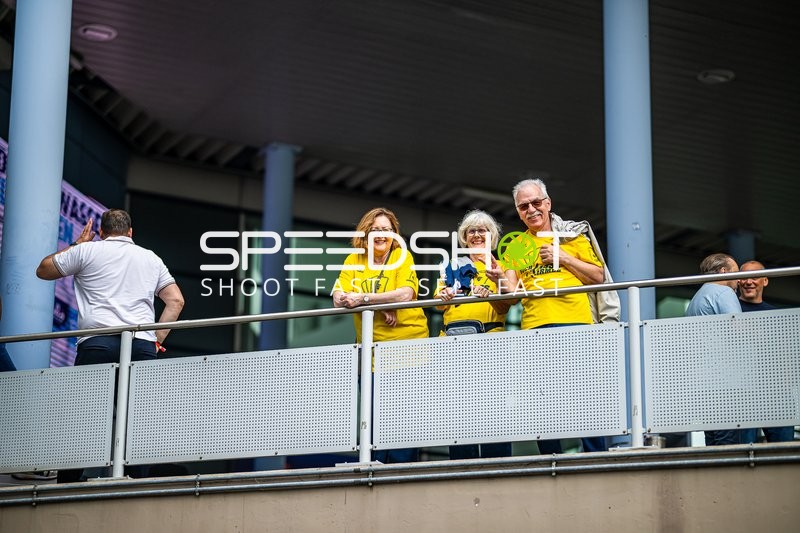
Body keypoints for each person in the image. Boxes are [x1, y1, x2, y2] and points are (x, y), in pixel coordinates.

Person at [36, 208, 185, 480]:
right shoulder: (150, 258)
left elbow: (43, 270)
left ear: (101, 232)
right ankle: (135, 480)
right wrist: (155, 341)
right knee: (136, 417)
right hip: (140, 344)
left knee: (83, 416)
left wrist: (77, 244)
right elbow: (175, 301)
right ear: (130, 232)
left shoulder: (87, 251)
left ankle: (66, 483)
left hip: (97, 343)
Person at [502, 177, 605, 454]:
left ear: (548, 204)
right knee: (541, 398)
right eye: (524, 206)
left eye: (536, 203)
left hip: (576, 323)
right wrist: (497, 276)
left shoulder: (573, 237)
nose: (531, 210)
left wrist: (564, 257)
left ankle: (595, 455)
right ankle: (551, 457)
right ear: (518, 211)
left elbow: (599, 277)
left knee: (585, 395)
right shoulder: (516, 245)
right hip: (536, 327)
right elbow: (511, 293)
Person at [332, 207, 429, 463]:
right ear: (366, 233)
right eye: (376, 230)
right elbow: (338, 298)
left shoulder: (401, 256)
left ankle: (399, 478)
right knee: (373, 420)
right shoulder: (355, 260)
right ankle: (374, 475)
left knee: (402, 421)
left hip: (406, 348)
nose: (382, 234)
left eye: (387, 230)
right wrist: (379, 304)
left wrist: (365, 299)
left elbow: (406, 294)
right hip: (371, 353)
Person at [436, 210, 512, 460]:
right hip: (453, 345)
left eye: (483, 230)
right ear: (464, 237)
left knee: (493, 409)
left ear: (493, 236)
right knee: (457, 411)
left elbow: (506, 306)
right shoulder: (451, 266)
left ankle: (497, 466)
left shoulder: (501, 266)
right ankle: (461, 467)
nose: (477, 235)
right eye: (472, 231)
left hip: (489, 344)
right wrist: (444, 296)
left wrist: (493, 293)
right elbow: (439, 304)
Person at [685, 252, 742, 446]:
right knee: (728, 437)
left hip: (704, 378)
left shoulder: (696, 298)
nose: (739, 279)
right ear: (724, 271)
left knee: (713, 436)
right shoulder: (723, 293)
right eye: (736, 272)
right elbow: (739, 330)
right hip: (724, 377)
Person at [737, 260, 794, 443]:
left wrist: (788, 387)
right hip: (743, 393)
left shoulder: (776, 315)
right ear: (737, 282)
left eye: (754, 277)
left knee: (784, 451)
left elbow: (786, 355)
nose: (748, 282)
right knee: (745, 452)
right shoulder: (730, 311)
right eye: (743, 277)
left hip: (777, 393)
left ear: (765, 281)